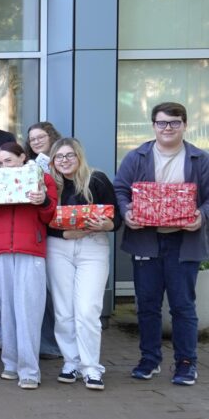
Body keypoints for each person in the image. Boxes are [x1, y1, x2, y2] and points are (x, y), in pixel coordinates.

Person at [114, 102, 209, 386]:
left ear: (185, 125)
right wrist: (127, 212)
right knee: (147, 305)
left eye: (174, 123)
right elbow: (121, 188)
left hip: (183, 241)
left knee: (182, 306)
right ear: (153, 125)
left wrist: (201, 216)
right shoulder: (137, 157)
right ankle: (150, 359)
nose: (168, 128)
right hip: (146, 241)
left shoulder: (199, 159)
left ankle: (185, 363)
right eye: (162, 123)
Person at [0, 142, 56, 390]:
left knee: (29, 311)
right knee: (6, 309)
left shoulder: (42, 178)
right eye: (0, 162)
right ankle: (10, 364)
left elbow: (50, 216)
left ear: (23, 157)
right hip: (0, 251)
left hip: (30, 250)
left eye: (9, 161)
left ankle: (29, 370)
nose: (4, 166)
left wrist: (43, 201)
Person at [48, 137, 119, 391]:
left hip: (93, 246)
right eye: (59, 157)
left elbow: (116, 219)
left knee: (88, 309)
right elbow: (40, 221)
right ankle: (71, 362)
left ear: (79, 156)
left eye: (70, 155)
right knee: (64, 310)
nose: (64, 161)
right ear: (53, 160)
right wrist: (64, 234)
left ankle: (91, 367)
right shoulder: (48, 184)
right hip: (59, 248)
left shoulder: (97, 180)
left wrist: (106, 225)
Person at [25, 121, 64, 361]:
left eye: (41, 137)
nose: (37, 142)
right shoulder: (30, 166)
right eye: (32, 139)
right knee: (45, 292)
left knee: (60, 292)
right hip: (42, 231)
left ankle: (62, 343)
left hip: (65, 232)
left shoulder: (64, 159)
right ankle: (48, 343)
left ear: (51, 137)